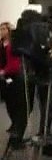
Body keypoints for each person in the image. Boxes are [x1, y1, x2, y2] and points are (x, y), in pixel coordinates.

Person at [0, 23, 27, 151]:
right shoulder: (1, 45)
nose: (1, 31)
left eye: (4, 28)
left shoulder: (12, 46)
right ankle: (14, 126)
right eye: (0, 29)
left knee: (15, 104)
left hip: (13, 78)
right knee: (9, 103)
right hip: (4, 78)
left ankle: (16, 131)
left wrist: (4, 71)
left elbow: (14, 64)